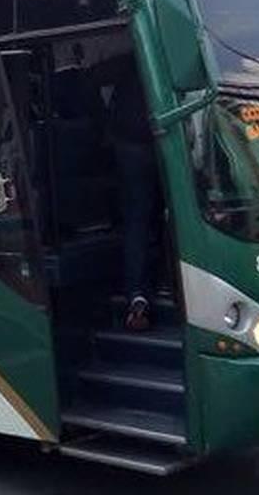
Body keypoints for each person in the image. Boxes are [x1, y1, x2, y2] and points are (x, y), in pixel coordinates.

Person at [109, 58, 159, 332]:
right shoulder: (160, 51)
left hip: (129, 143)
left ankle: (138, 294)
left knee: (138, 219)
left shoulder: (130, 61)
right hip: (153, 143)